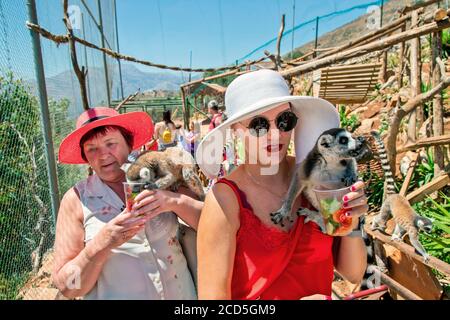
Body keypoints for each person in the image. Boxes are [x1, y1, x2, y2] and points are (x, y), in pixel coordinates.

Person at [195, 70, 368, 300]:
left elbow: (354, 273)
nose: (275, 134)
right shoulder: (224, 200)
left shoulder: (319, 178)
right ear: (236, 130)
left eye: (284, 120)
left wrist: (353, 221)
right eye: (259, 125)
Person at [52, 107, 203, 300]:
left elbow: (210, 224)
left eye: (110, 144)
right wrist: (101, 244)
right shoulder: (76, 200)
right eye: (92, 149)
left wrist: (174, 201)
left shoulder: (159, 174)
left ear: (129, 144)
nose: (103, 155)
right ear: (85, 156)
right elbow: (68, 287)